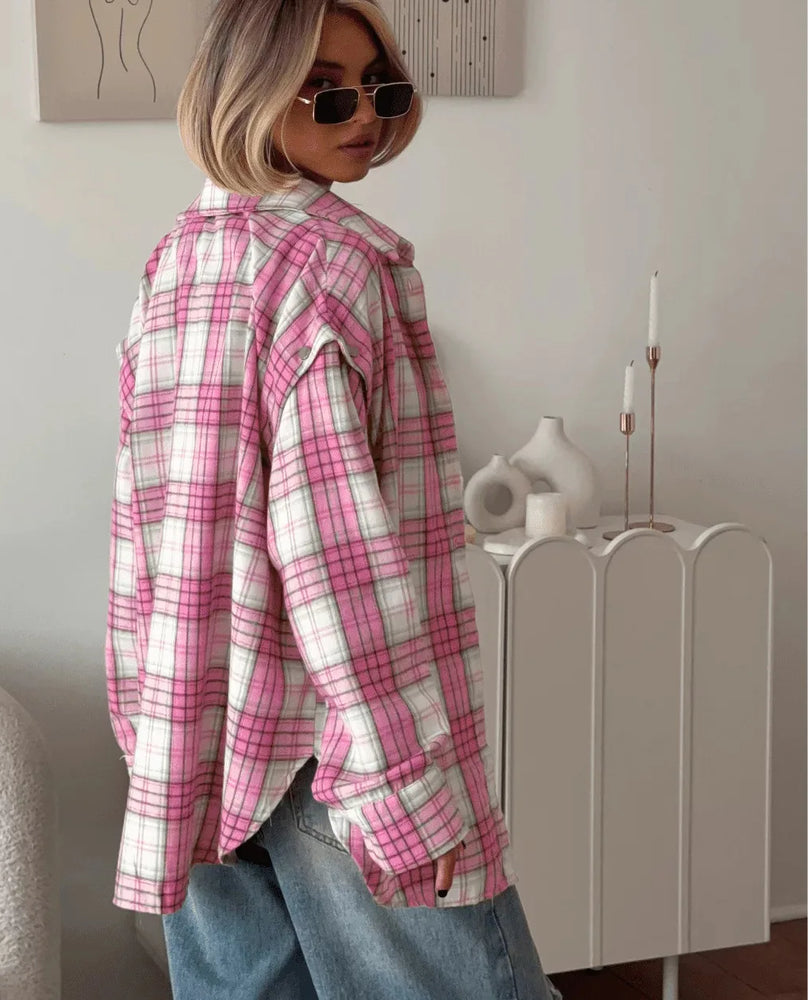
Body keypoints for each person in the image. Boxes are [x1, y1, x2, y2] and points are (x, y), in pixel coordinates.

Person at [106, 2, 561, 997]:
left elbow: (142, 528)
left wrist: (154, 721)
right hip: (330, 749)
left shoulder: (174, 262)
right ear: (247, 89)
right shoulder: (342, 270)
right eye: (326, 88)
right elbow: (331, 555)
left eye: (379, 87)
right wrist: (403, 779)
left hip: (198, 733)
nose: (361, 113)